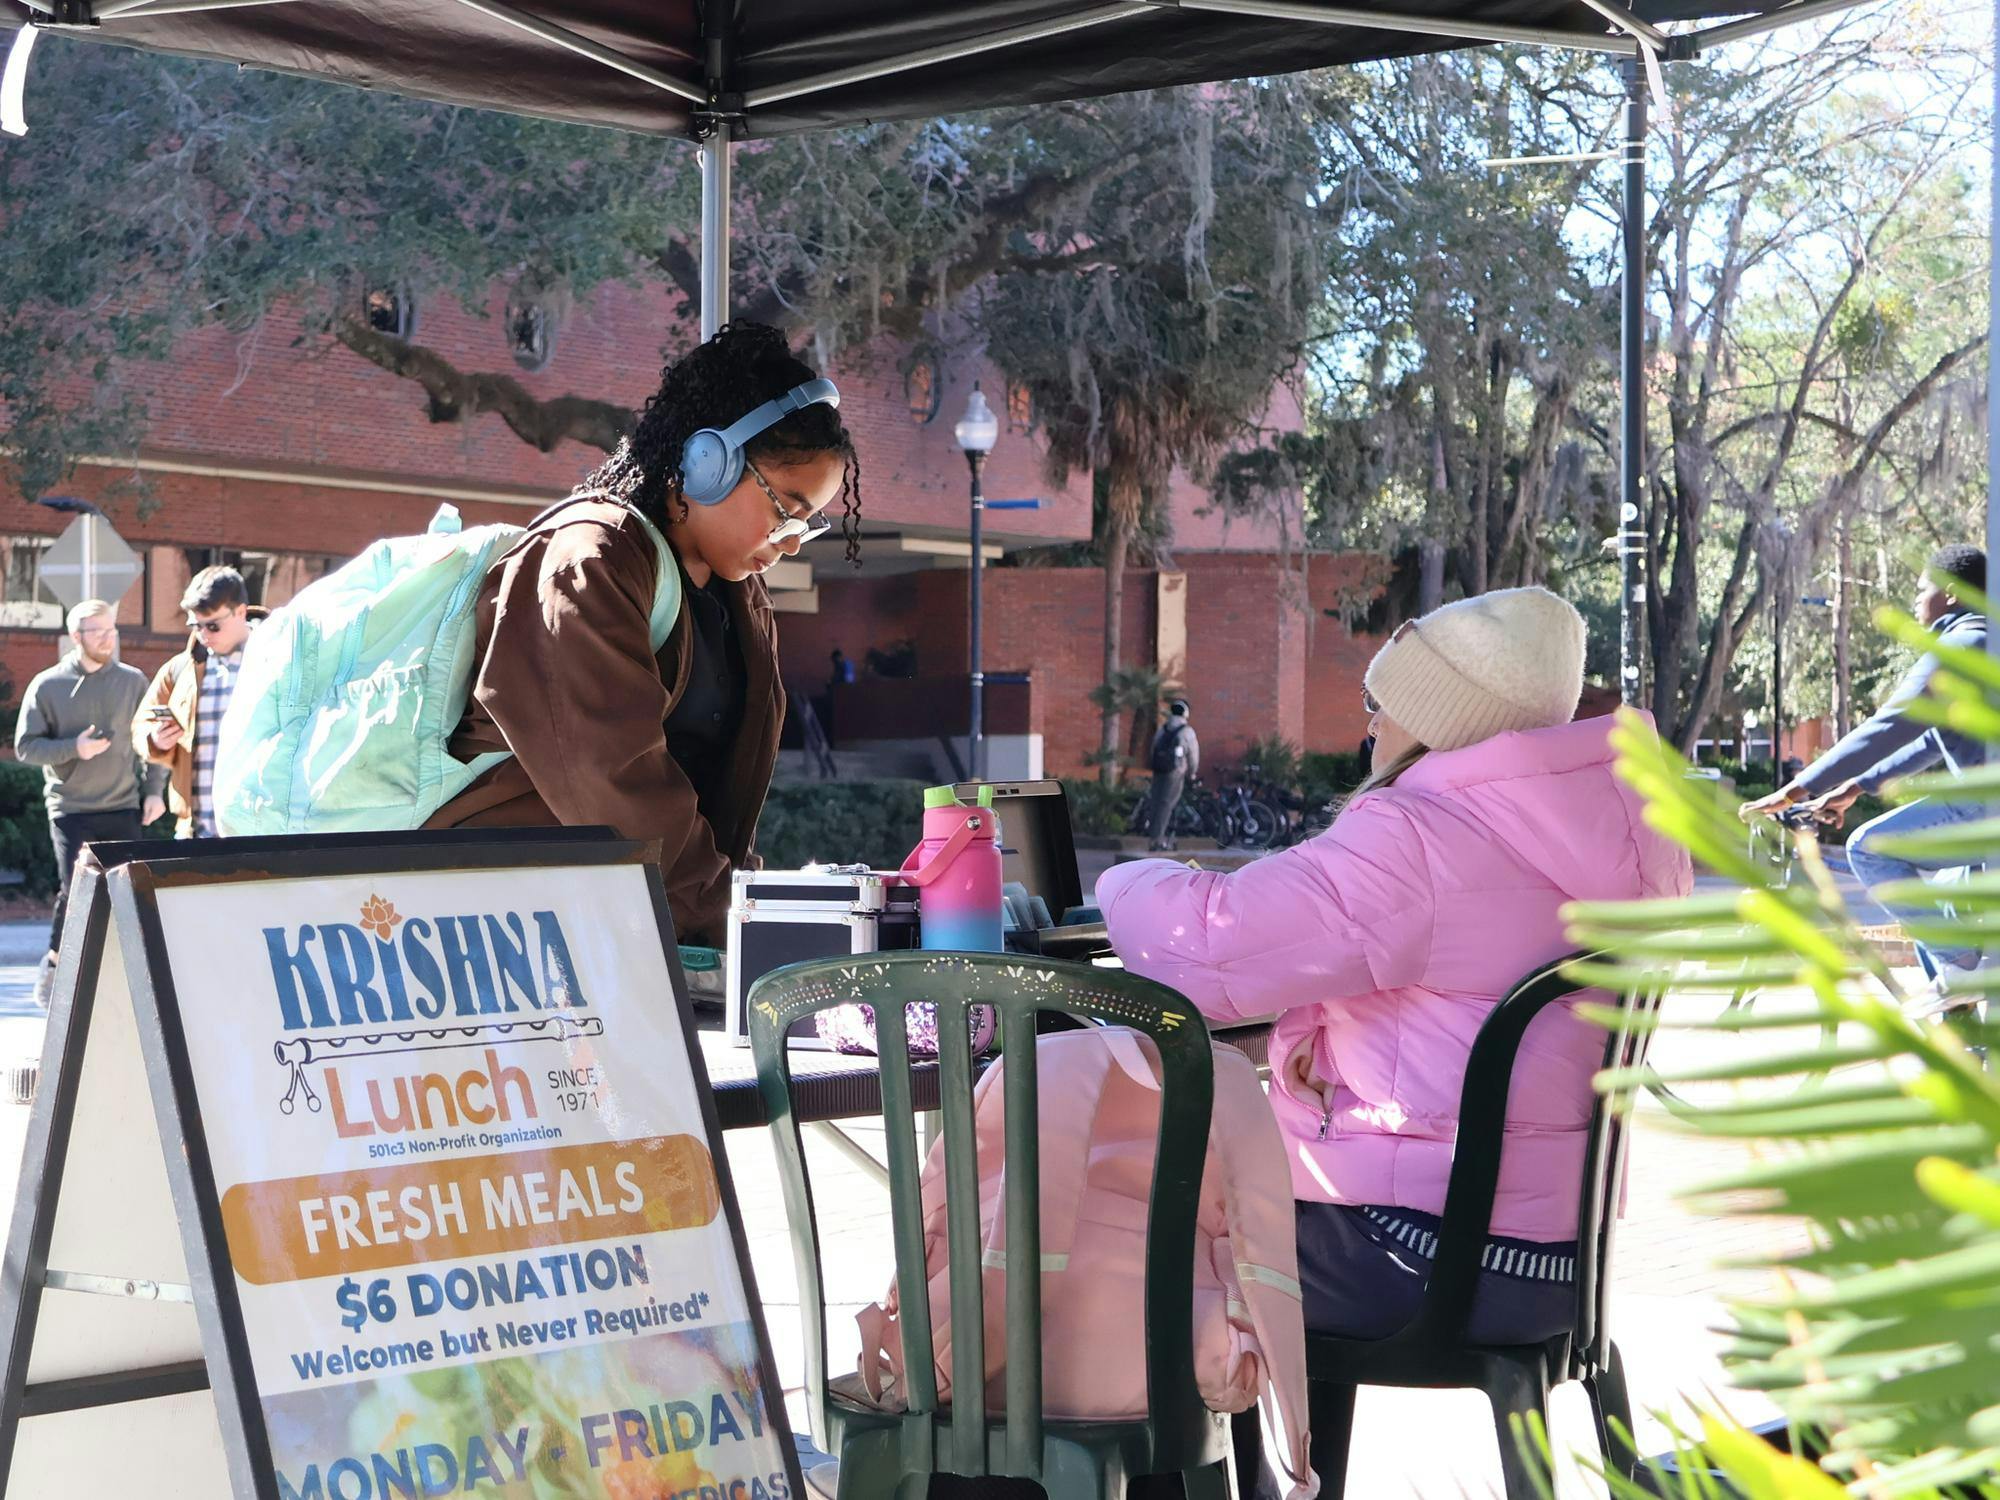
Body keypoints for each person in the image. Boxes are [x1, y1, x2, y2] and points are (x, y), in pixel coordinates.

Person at [1098, 588, 1691, 1347]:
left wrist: (1120, 883)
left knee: (1128, 1236)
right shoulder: (1622, 837)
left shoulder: (1418, 839)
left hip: (1419, 1254)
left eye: (1385, 700)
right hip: (1561, 1263)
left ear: (1442, 718)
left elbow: (1205, 950)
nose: (1371, 721)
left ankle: (1154, 1468)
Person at [431, 322, 861, 945]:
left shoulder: (741, 595)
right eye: (784, 509)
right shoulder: (589, 561)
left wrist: (745, 904)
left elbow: (712, 802)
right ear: (708, 462)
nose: (792, 540)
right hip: (500, 934)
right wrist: (737, 921)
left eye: (809, 524)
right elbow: (617, 782)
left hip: (617, 927)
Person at [1741, 544, 1988, 994]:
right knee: (1934, 912)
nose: (1914, 601)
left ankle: (1966, 973)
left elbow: (1888, 726)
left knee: (1870, 849)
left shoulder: (1960, 645)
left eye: (1922, 589)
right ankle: (1965, 1027)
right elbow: (1933, 738)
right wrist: (1857, 785)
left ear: (1950, 593)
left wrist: (1797, 788)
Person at [14, 600, 167, 1001]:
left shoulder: (133, 681)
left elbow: (153, 742)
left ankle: (122, 981)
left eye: (111, 629)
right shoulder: (48, 685)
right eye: (97, 631)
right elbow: (26, 748)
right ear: (76, 637)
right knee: (76, 888)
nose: (107, 638)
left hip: (123, 804)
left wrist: (154, 791)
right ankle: (56, 966)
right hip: (71, 808)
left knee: (128, 891)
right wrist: (73, 748)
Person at [134, 566, 267, 839]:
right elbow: (142, 723)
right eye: (196, 625)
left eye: (213, 625)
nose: (204, 634)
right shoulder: (181, 668)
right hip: (198, 832)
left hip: (264, 829)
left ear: (241, 612)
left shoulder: (277, 660)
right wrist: (156, 739)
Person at [1143, 698, 1199, 851]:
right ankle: (1158, 840)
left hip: (1159, 770)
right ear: (1186, 713)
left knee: (1156, 803)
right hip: (1175, 772)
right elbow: (1193, 755)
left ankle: (1153, 838)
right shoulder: (1186, 731)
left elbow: (1153, 748)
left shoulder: (1163, 729)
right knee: (1166, 804)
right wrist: (1192, 773)